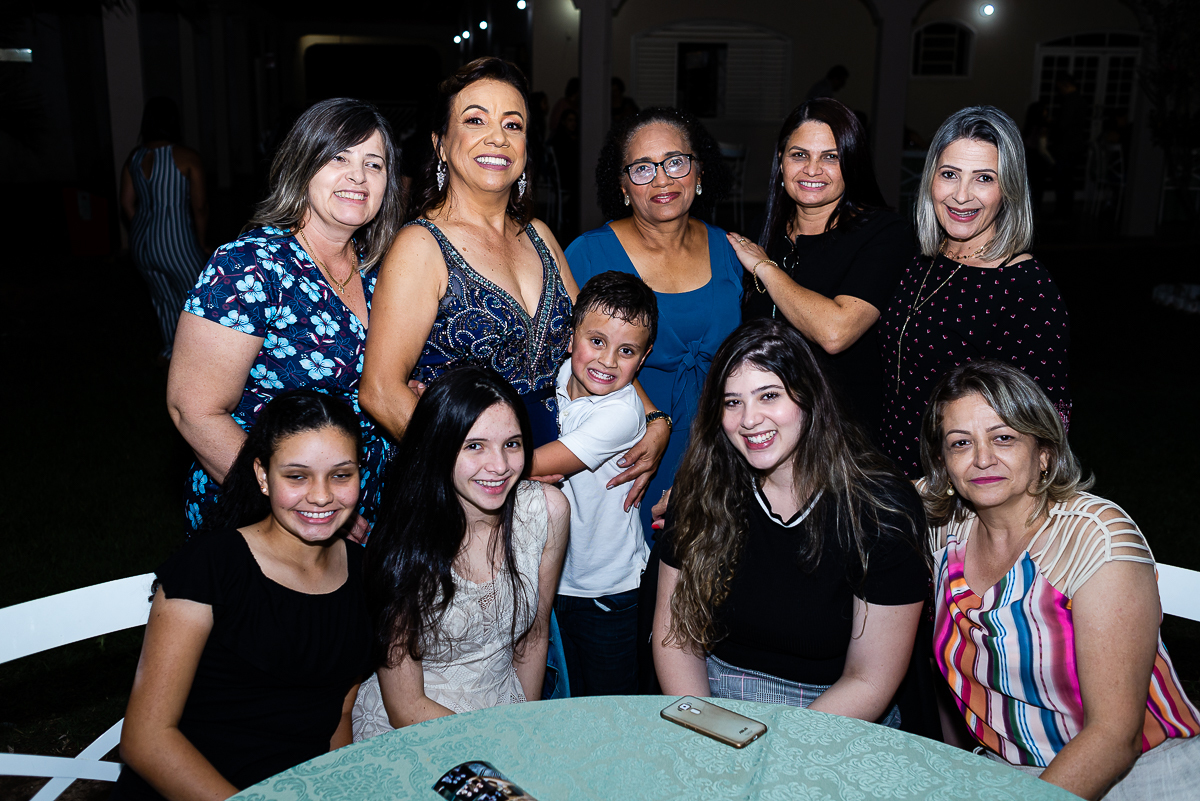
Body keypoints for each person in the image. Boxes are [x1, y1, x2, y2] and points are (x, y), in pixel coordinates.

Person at [359, 57, 668, 500]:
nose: (497, 137)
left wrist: (654, 417)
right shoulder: (421, 246)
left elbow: (600, 337)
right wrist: (475, 469)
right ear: (441, 144)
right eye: (475, 120)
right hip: (459, 488)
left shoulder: (540, 236)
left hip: (554, 473)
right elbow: (380, 391)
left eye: (513, 124)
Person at [919, 360, 1200, 800]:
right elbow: (856, 491)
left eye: (1004, 437)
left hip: (1140, 777)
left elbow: (1115, 737)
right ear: (942, 462)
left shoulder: (1093, 537)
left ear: (1044, 452)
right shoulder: (945, 529)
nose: (982, 459)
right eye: (960, 443)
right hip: (1005, 777)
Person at [653, 319, 930, 727]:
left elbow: (870, 680)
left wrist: (774, 746)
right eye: (732, 402)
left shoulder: (879, 507)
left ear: (809, 396)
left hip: (837, 714)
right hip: (713, 701)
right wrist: (709, 730)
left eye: (769, 395)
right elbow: (676, 640)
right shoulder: (702, 489)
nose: (749, 420)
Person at [114, 390, 372, 801]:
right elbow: (146, 740)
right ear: (263, 476)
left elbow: (338, 714)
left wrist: (336, 790)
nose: (322, 495)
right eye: (297, 476)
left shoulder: (366, 575)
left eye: (341, 475)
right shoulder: (211, 567)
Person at [167, 98, 403, 535]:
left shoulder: (383, 269)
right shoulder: (250, 265)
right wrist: (303, 501)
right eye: (338, 157)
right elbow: (194, 410)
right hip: (266, 517)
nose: (358, 175)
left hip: (371, 510)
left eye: (374, 164)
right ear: (302, 165)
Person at [352, 366, 569, 739]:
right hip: (420, 727)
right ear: (439, 446)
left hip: (505, 712)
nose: (499, 466)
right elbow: (405, 706)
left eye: (512, 444)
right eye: (474, 446)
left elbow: (534, 635)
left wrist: (523, 729)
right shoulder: (404, 541)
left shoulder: (546, 512)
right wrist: (494, 745)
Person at [566, 106, 741, 537]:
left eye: (675, 162)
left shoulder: (730, 250)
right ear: (623, 185)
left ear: (699, 172)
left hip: (724, 449)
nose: (662, 179)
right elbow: (571, 359)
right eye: (643, 168)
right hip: (630, 453)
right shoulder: (588, 255)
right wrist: (655, 418)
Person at [879, 105, 1071, 478]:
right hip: (892, 477)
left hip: (961, 489)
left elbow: (1049, 422)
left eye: (984, 178)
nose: (961, 195)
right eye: (949, 174)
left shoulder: (1025, 287)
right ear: (930, 179)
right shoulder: (921, 260)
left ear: (1008, 189)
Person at [728, 98, 912, 438]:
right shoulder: (763, 230)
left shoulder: (886, 234)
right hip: (763, 429)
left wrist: (765, 268)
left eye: (831, 157)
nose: (812, 170)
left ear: (852, 164)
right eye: (799, 155)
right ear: (781, 162)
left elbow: (835, 333)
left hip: (841, 437)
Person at [530, 271, 657, 696]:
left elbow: (531, 466)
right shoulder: (556, 376)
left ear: (643, 359)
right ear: (571, 338)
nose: (607, 361)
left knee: (610, 707)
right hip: (554, 581)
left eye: (627, 351)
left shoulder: (621, 413)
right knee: (560, 702)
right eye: (597, 341)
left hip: (608, 591)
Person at [120, 96, 209, 359]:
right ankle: (199, 356)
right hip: (175, 242)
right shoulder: (187, 157)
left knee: (163, 300)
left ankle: (172, 351)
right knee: (198, 298)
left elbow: (126, 203)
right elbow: (200, 207)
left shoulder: (134, 157)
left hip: (140, 242)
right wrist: (201, 242)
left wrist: (144, 229)